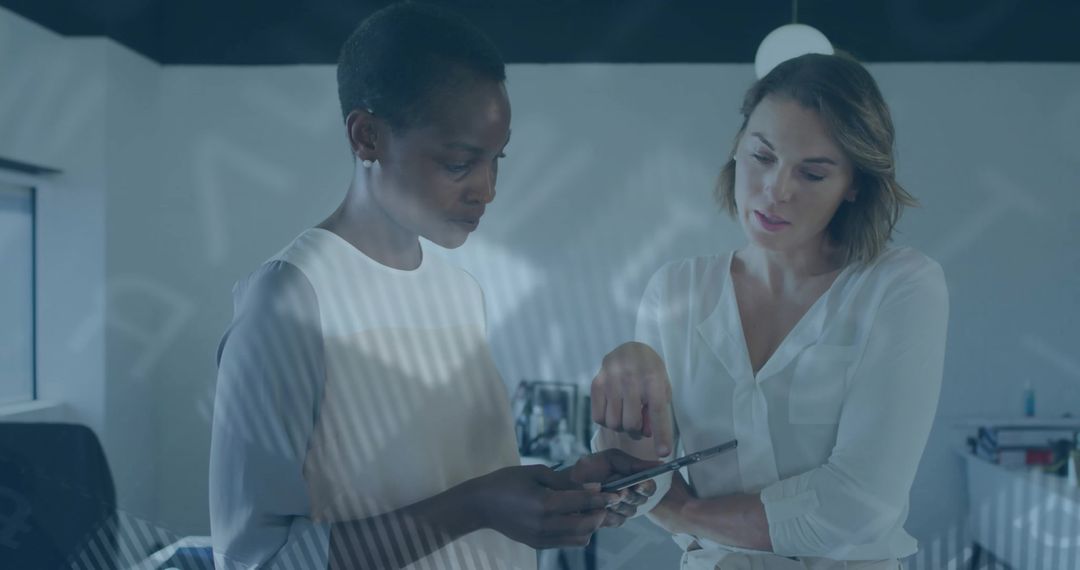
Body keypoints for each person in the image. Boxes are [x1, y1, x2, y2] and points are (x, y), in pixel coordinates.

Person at [209, 3, 656, 569]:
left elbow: (451, 486)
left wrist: (561, 490)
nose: (487, 190)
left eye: (498, 160)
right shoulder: (290, 302)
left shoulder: (460, 291)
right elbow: (257, 560)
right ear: (367, 136)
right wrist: (478, 506)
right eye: (459, 163)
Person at [590, 53, 949, 569]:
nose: (777, 191)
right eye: (762, 156)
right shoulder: (675, 291)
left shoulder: (901, 287)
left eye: (813, 173)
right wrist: (625, 373)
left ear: (853, 185)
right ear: (737, 148)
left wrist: (683, 513)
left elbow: (857, 509)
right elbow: (635, 482)